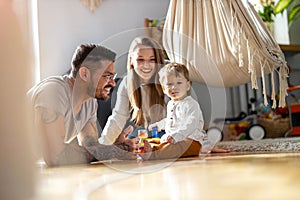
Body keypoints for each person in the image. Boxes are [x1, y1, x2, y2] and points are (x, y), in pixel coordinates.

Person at [28, 44, 140, 166]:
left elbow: (91, 147)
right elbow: (55, 156)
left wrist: (117, 148)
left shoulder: (90, 101)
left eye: (113, 77)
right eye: (107, 76)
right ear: (84, 74)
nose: (113, 83)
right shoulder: (53, 92)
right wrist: (112, 151)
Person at [99, 36, 167, 145]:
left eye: (152, 60)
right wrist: (102, 145)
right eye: (140, 59)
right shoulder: (127, 83)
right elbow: (118, 118)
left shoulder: (167, 76)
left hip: (168, 132)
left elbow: (179, 115)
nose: (146, 65)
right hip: (144, 133)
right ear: (131, 60)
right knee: (129, 141)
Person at [146, 62, 205, 159]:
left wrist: (177, 136)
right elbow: (170, 120)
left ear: (187, 85)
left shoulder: (191, 104)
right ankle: (148, 148)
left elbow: (191, 124)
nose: (174, 87)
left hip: (191, 142)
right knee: (154, 140)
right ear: (164, 89)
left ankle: (153, 153)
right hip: (173, 139)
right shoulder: (170, 104)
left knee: (174, 148)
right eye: (169, 84)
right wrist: (159, 125)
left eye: (179, 83)